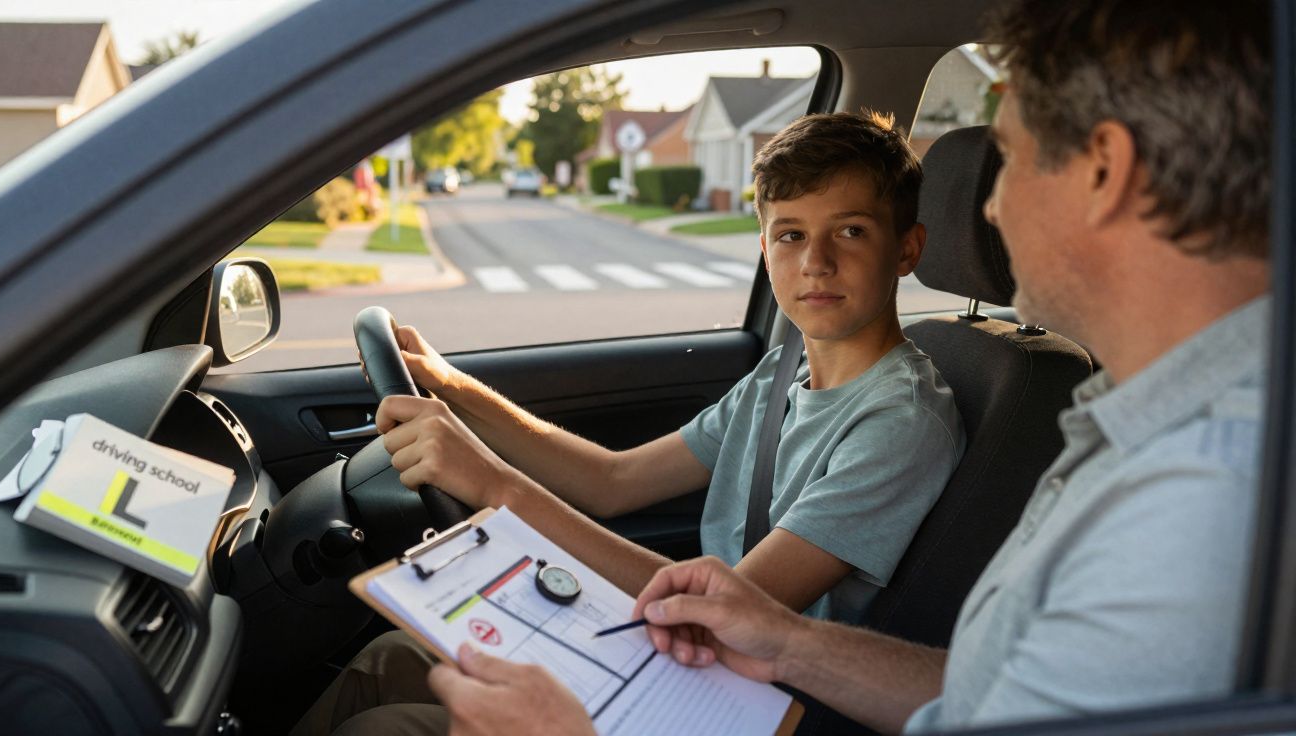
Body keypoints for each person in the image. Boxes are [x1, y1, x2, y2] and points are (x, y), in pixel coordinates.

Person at [420, 0, 1274, 733]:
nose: (990, 204)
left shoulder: (1205, 498)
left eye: (1004, 159)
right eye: (789, 235)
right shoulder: (1137, 430)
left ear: (1103, 172)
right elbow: (984, 697)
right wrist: (786, 639)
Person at [291, 111, 966, 735]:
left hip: (749, 695)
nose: (815, 261)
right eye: (791, 234)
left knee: (383, 729)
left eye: (850, 231)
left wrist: (489, 481)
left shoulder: (900, 421)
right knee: (388, 660)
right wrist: (455, 388)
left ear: (907, 249)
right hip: (682, 654)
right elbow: (614, 481)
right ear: (765, 248)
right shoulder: (779, 378)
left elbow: (729, 616)